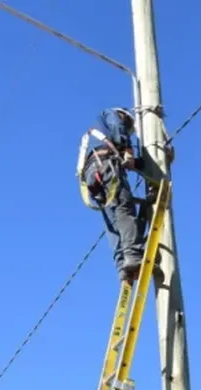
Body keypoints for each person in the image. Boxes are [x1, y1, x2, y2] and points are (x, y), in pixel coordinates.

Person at [77, 106, 148, 285]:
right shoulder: (110, 114)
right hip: (106, 166)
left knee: (113, 223)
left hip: (93, 177)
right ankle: (132, 255)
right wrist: (128, 148)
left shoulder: (96, 141)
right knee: (124, 209)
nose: (128, 131)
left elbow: (132, 163)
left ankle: (123, 267)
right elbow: (117, 126)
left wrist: (141, 163)